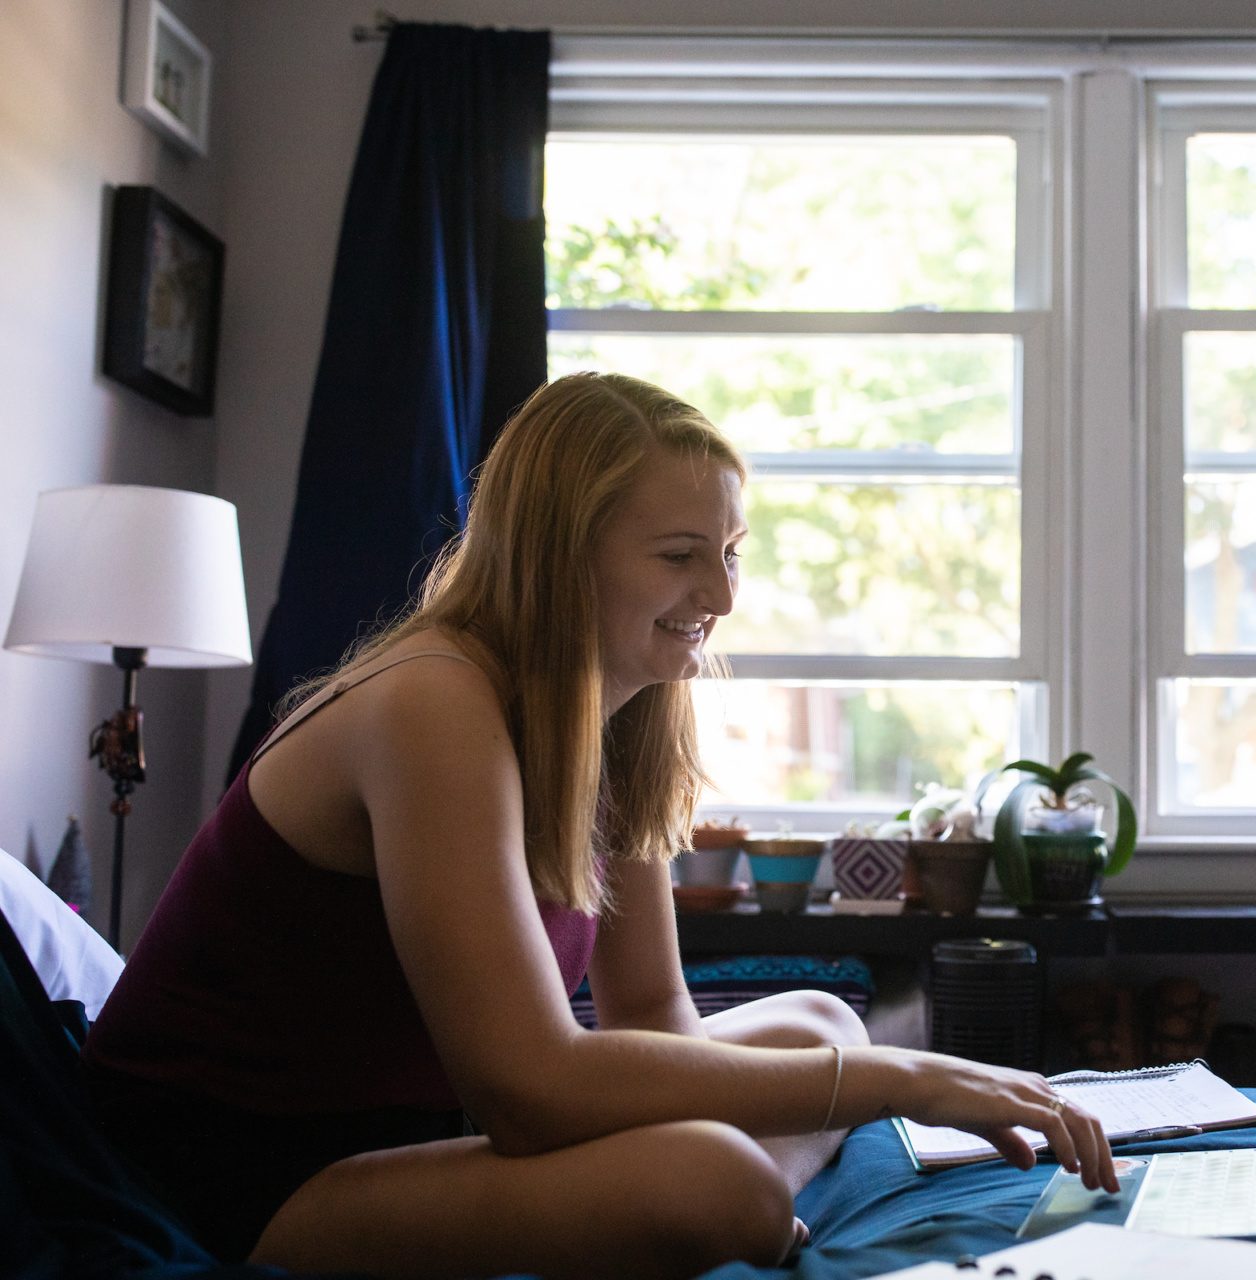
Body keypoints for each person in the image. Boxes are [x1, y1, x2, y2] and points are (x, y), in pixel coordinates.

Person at [82, 373, 1116, 1280]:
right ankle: (750, 1201)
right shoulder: (432, 700)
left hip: (421, 1130)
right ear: (557, 555)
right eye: (679, 556)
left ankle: (753, 1200)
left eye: (730, 553)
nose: (720, 596)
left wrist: (868, 1073)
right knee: (718, 1178)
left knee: (823, 1022)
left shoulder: (614, 709)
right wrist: (907, 1078)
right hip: (244, 1174)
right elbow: (528, 1088)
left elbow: (653, 1013)